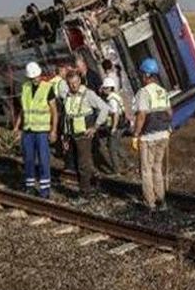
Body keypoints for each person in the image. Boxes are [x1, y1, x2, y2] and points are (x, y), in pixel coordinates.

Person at [62, 71, 109, 205]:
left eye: (76, 83)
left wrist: (95, 127)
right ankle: (95, 180)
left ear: (80, 82)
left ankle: (85, 193)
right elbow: (67, 117)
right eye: (71, 84)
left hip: (84, 135)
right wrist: (65, 136)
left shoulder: (88, 94)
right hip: (72, 135)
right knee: (77, 164)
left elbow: (104, 108)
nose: (74, 86)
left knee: (82, 164)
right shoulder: (67, 96)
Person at [131, 57, 172, 211]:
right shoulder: (163, 91)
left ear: (146, 75)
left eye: (142, 74)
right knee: (157, 167)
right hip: (163, 135)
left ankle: (150, 202)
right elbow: (169, 112)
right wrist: (167, 127)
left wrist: (136, 134)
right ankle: (161, 199)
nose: (142, 77)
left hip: (148, 137)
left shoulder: (143, 92)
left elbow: (141, 115)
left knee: (146, 170)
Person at [13, 61, 59, 199]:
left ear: (40, 74)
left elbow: (54, 111)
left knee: (44, 160)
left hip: (42, 131)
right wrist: (17, 126)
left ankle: (45, 190)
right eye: (32, 78)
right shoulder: (25, 87)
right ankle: (30, 186)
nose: (35, 79)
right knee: (28, 159)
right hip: (28, 130)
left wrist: (53, 130)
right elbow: (23, 109)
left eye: (37, 77)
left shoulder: (47, 88)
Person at [98, 76, 127, 175]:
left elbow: (115, 114)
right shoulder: (115, 96)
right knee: (117, 145)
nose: (104, 90)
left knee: (112, 148)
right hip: (122, 125)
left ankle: (116, 170)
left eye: (105, 88)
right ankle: (128, 163)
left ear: (110, 88)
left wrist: (114, 127)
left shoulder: (112, 99)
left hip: (117, 126)